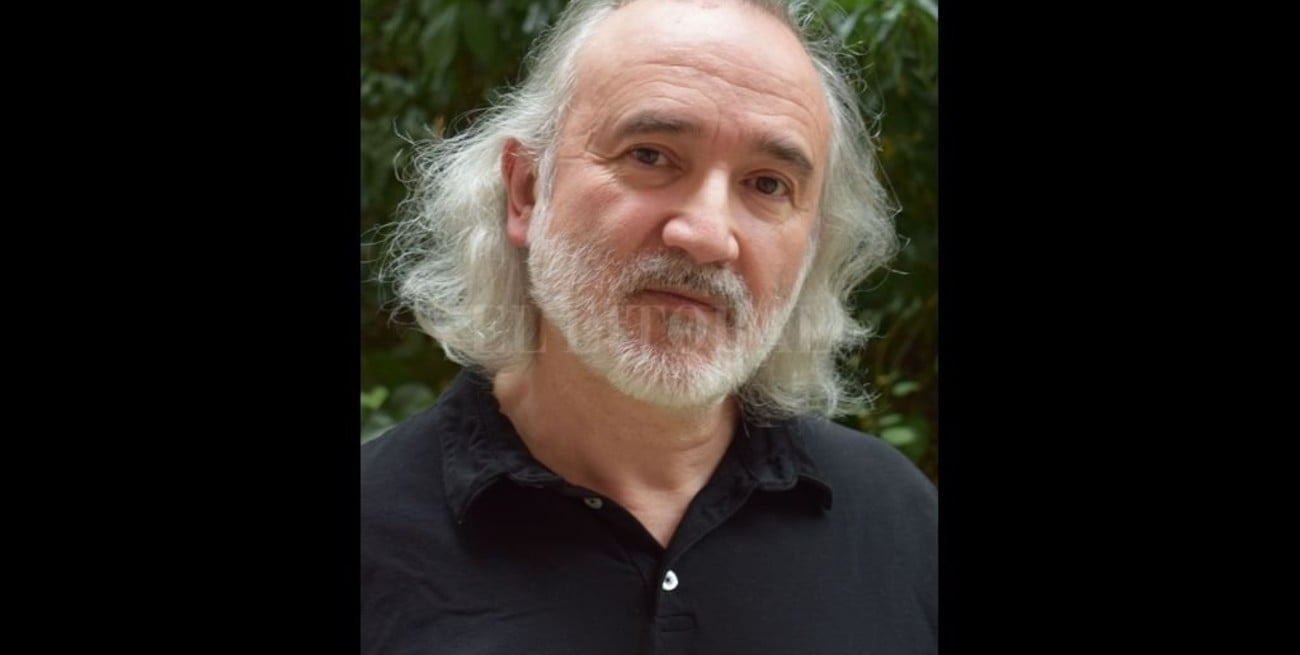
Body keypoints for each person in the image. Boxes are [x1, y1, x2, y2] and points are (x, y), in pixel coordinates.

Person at [361, 0, 936, 653]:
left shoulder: (901, 524)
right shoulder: (376, 535)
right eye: (651, 154)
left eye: (768, 185)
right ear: (527, 190)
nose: (707, 235)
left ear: (809, 246)